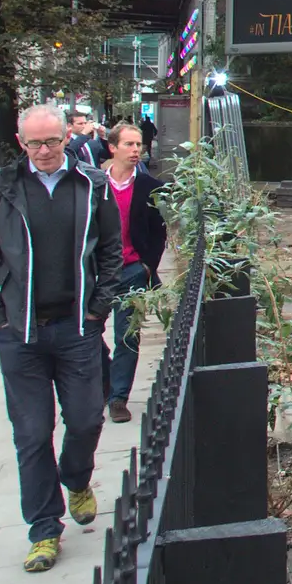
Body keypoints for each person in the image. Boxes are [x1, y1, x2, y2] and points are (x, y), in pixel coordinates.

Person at [0, 104, 122, 573]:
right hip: (21, 335)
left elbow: (111, 249)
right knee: (32, 435)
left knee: (87, 418)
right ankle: (44, 531)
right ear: (21, 144)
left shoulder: (91, 185)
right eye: (35, 143)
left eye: (53, 140)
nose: (46, 150)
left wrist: (100, 306)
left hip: (77, 329)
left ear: (66, 138)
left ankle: (76, 479)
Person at [100, 123, 165, 423]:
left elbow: (158, 232)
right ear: (112, 147)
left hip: (132, 271)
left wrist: (146, 265)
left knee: (127, 336)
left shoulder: (149, 187)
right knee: (86, 335)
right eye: (129, 144)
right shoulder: (94, 184)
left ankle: (118, 398)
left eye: (139, 144)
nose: (137, 150)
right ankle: (105, 382)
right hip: (97, 274)